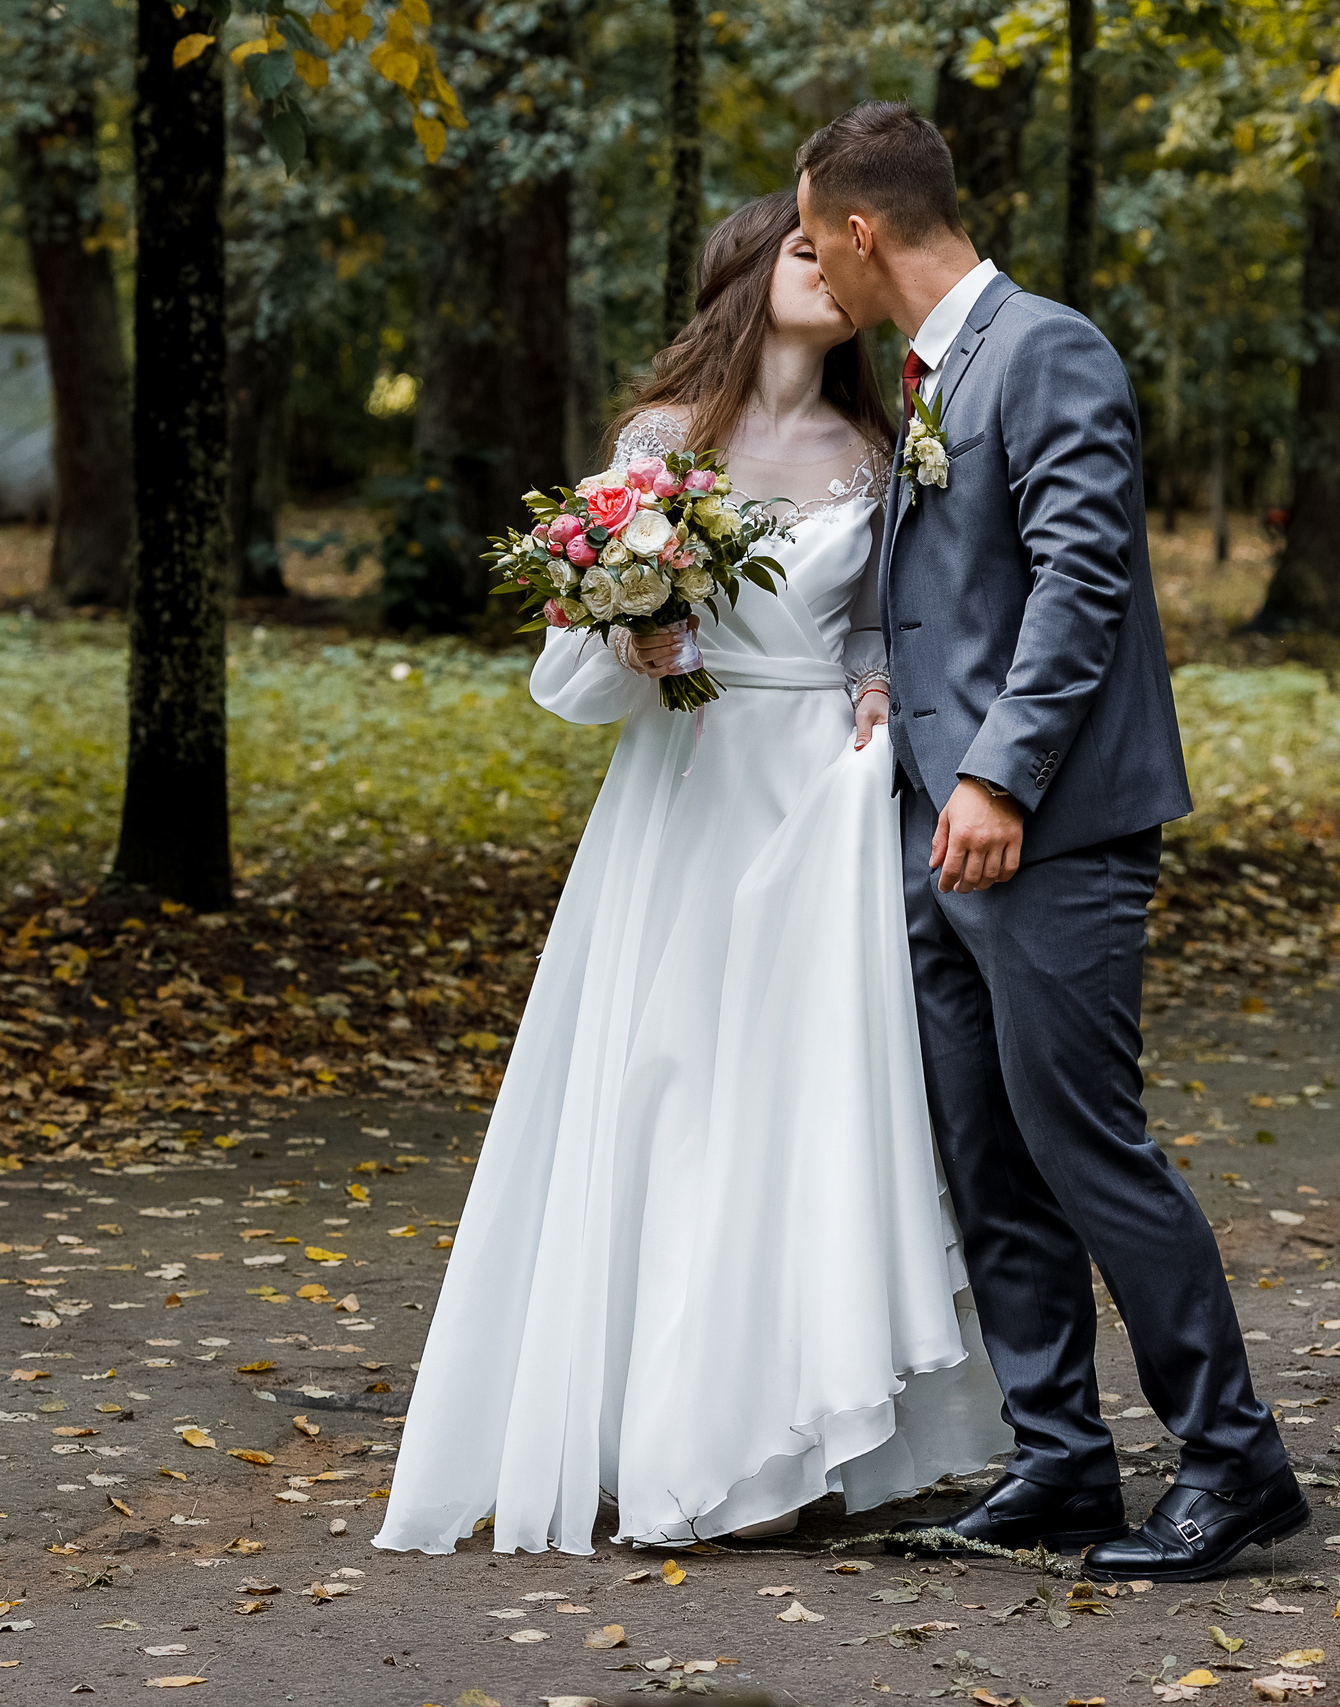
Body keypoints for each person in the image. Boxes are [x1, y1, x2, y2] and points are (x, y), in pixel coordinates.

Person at [373, 190, 1014, 1558]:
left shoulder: (878, 448)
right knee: (668, 1095)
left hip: (819, 798)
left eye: (836, 258)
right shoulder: (659, 447)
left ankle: (805, 1437)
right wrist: (628, 643)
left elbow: (892, 620)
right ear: (742, 273)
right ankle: (666, 1439)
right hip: (687, 785)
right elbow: (565, 672)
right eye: (800, 250)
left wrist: (880, 684)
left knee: (800, 1106)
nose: (828, 272)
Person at [793, 101, 1306, 1581]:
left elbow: (1086, 579)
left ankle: (1234, 1462)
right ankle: (1062, 1461)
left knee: (1088, 1145)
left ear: (864, 229)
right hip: (935, 828)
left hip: (1049, 829)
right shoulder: (927, 372)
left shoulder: (1048, 348)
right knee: (988, 1154)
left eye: (814, 226)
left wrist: (1004, 779)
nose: (808, 253)